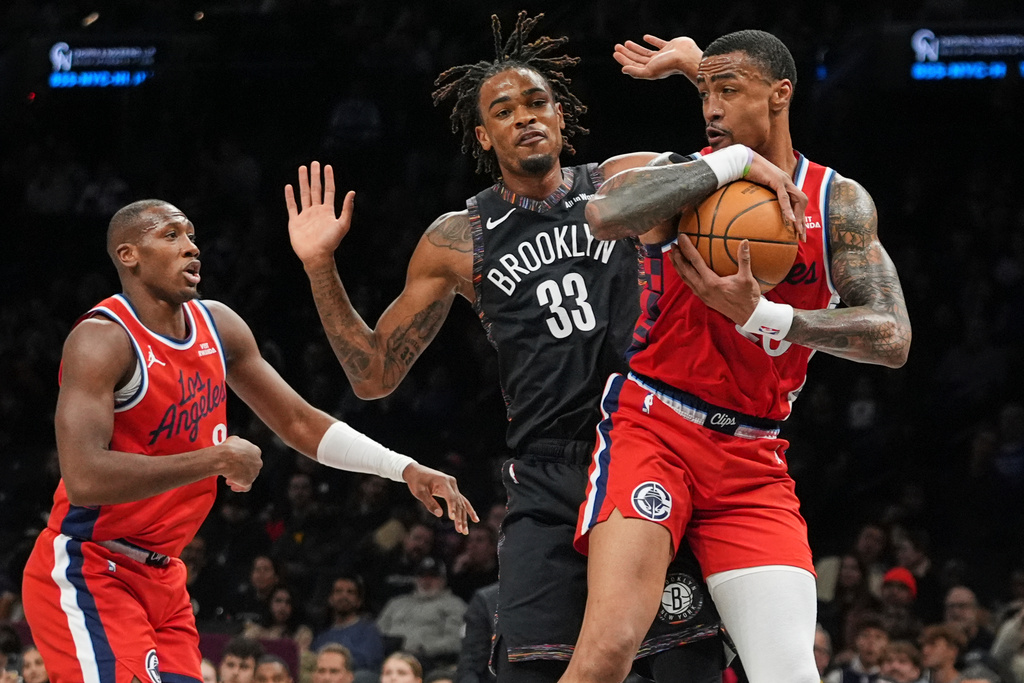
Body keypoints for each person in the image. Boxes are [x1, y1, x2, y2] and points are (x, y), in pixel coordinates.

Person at [286, 12, 801, 683]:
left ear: (561, 117)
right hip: (551, 475)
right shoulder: (458, 239)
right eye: (504, 109)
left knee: (685, 672)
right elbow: (375, 374)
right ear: (482, 134)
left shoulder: (625, 181)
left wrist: (695, 67)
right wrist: (320, 266)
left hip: (658, 452)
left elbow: (746, 145)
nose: (525, 117)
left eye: (537, 103)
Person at [564, 28, 911, 683]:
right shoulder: (688, 178)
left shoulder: (836, 203)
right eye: (705, 92)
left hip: (753, 460)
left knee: (791, 674)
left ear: (780, 95)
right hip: (655, 427)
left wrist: (763, 315)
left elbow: (893, 337)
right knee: (609, 646)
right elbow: (605, 214)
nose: (710, 108)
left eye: (727, 91)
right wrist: (731, 164)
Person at [20, 198, 476, 683]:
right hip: (90, 564)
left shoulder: (219, 326)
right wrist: (212, 459)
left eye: (192, 235)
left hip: (165, 577)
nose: (191, 247)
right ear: (129, 254)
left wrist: (402, 468)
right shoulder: (101, 340)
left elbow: (300, 423)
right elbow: (85, 477)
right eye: (171, 235)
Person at [376, 557, 467, 670]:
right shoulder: (396, 603)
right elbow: (377, 633)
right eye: (422, 576)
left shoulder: (455, 605)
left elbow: (455, 641)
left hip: (429, 662)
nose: (426, 580)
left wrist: (425, 649)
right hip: (388, 658)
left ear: (443, 580)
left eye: (433, 576)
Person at [311, 575, 385, 676]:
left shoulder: (369, 631)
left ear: (359, 601)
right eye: (338, 591)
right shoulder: (322, 636)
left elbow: (367, 663)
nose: (344, 596)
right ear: (331, 599)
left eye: (350, 592)